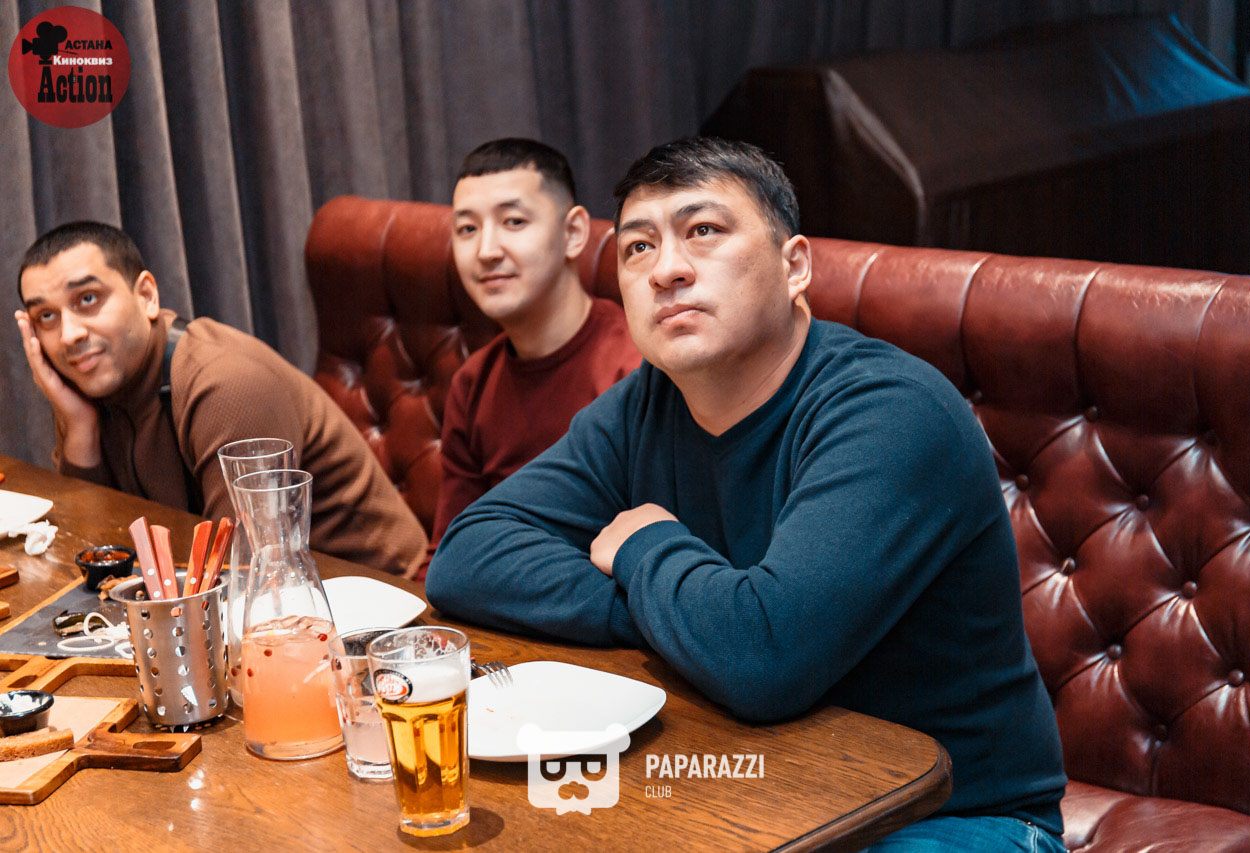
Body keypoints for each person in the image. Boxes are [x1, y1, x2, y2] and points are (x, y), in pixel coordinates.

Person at [427, 138, 1067, 850]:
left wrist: (645, 548)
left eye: (703, 230)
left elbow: (764, 659)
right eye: (638, 248)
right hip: (760, 793)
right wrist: (682, 617)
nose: (666, 269)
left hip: (955, 816)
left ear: (795, 267)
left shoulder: (890, 409)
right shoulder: (647, 402)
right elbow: (466, 556)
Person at [15, 221, 428, 577]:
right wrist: (79, 429)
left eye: (88, 299)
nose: (69, 335)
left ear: (147, 296)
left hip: (382, 600)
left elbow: (244, 573)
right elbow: (93, 552)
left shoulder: (224, 383)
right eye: (46, 317)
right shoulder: (90, 384)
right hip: (246, 600)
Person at [429, 139, 640, 571]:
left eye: (513, 221)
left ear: (573, 232)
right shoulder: (473, 382)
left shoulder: (634, 368)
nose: (487, 250)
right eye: (467, 229)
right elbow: (450, 549)